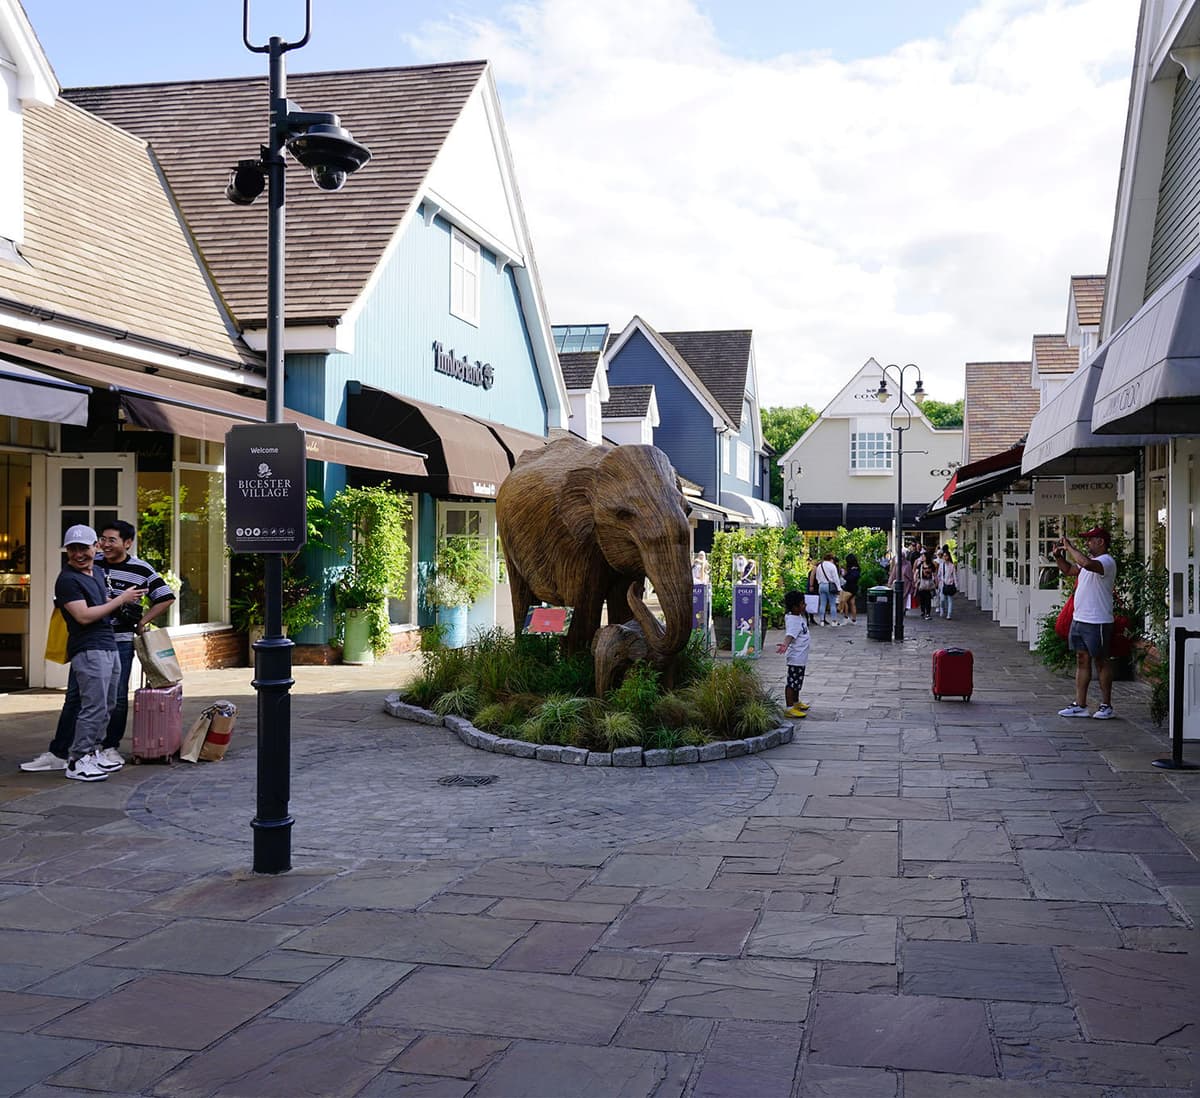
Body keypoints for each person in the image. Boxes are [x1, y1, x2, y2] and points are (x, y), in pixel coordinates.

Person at [22, 521, 175, 774]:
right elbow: (80, 610)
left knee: (112, 700)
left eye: (110, 540)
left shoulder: (136, 568)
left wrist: (141, 621)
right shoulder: (87, 567)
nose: (104, 545)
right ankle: (64, 753)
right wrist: (119, 600)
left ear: (127, 543)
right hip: (89, 641)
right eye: (102, 539)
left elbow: (166, 597)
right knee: (77, 699)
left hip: (119, 642)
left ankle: (105, 748)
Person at [36, 525, 146, 781]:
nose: (78, 554)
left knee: (108, 704)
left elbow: (102, 606)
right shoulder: (67, 580)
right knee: (92, 706)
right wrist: (121, 600)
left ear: (94, 547)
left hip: (108, 644)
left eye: (83, 548)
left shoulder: (96, 572)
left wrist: (122, 606)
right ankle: (77, 760)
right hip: (88, 648)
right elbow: (83, 616)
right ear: (67, 551)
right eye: (73, 549)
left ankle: (92, 752)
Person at [1054, 526, 1117, 719]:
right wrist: (1058, 556)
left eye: (1091, 539)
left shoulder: (1106, 561)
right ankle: (1080, 704)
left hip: (1098, 620)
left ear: (1101, 542)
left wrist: (1070, 548)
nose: (1087, 543)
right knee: (1082, 661)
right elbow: (1069, 570)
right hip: (1080, 618)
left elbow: (1087, 564)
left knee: (1101, 661)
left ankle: (1106, 705)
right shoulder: (1088, 562)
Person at [776, 590, 811, 719]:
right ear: (794, 607)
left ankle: (796, 702)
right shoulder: (793, 620)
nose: (804, 606)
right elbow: (790, 635)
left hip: (801, 657)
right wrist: (785, 645)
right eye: (802, 604)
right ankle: (789, 707)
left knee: (798, 682)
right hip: (796, 657)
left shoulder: (797, 617)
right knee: (792, 683)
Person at [814, 552, 840, 626]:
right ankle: (834, 621)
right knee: (832, 604)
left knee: (822, 604)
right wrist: (838, 588)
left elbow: (817, 577)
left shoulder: (819, 566)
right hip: (830, 586)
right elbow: (835, 578)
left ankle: (822, 621)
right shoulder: (832, 566)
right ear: (831, 559)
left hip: (821, 585)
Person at [839, 552, 861, 624]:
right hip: (854, 587)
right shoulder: (857, 568)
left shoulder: (852, 569)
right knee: (852, 603)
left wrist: (844, 575)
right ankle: (854, 619)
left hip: (849, 587)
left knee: (844, 601)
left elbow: (850, 578)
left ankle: (845, 617)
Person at [937, 547, 958, 619]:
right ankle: (942, 609)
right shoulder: (941, 565)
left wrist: (956, 584)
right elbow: (939, 575)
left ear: (949, 557)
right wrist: (938, 582)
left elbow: (954, 576)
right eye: (944, 556)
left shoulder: (952, 566)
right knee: (942, 600)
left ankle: (949, 614)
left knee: (950, 600)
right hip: (942, 585)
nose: (945, 557)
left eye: (946, 556)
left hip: (950, 584)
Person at [915, 554, 936, 620]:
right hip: (922, 583)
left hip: (929, 583)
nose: (922, 558)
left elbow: (934, 574)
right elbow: (916, 573)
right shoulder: (920, 565)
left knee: (928, 599)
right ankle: (923, 610)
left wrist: (936, 581)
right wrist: (916, 581)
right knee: (922, 598)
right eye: (922, 557)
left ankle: (928, 613)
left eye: (924, 556)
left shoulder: (931, 565)